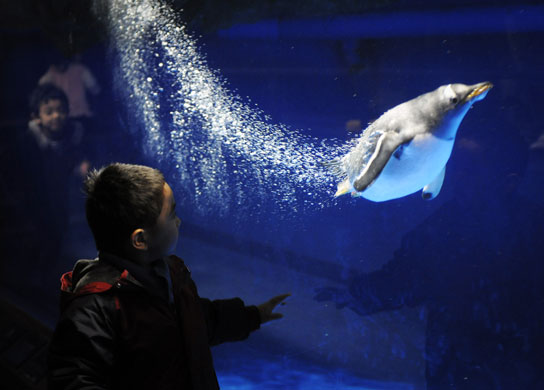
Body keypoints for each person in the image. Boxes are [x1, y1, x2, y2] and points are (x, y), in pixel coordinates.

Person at [47, 163, 290, 390]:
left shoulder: (170, 272)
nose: (179, 221)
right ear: (140, 239)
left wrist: (253, 315)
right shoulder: (95, 307)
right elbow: (73, 377)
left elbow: (198, 321)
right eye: (172, 214)